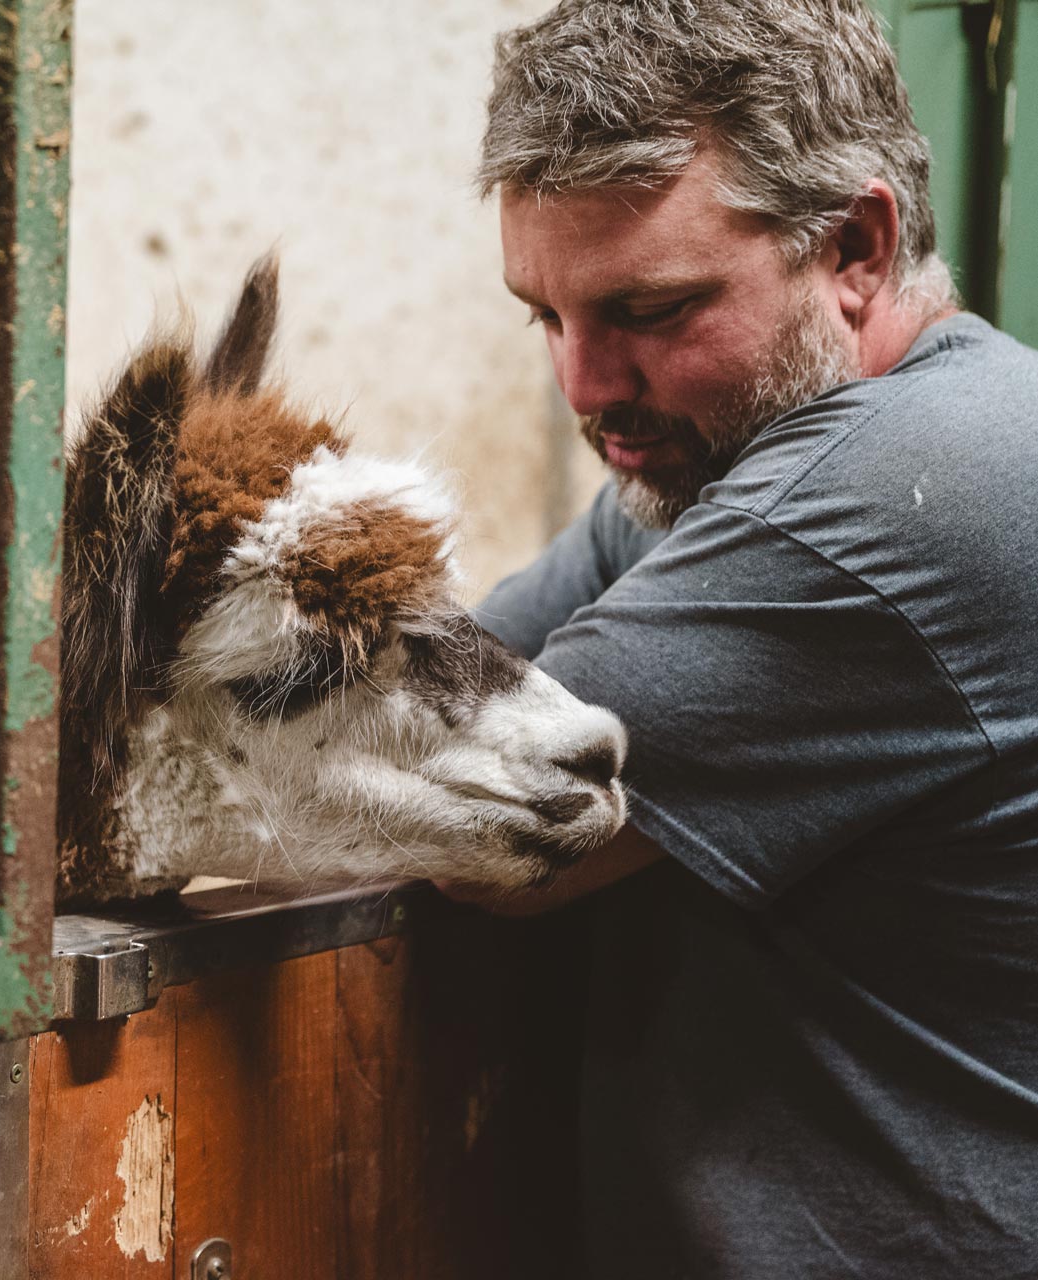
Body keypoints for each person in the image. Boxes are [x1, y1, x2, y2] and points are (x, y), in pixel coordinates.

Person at [443, 1, 1038, 1276]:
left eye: (649, 310)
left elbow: (472, 811)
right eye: (542, 316)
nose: (586, 386)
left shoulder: (912, 484)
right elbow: (452, 671)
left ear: (856, 249)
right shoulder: (712, 471)